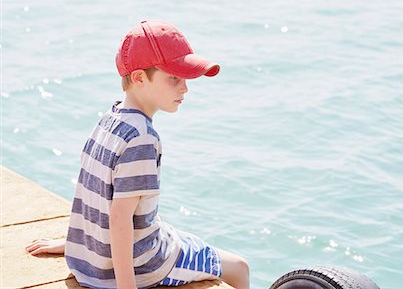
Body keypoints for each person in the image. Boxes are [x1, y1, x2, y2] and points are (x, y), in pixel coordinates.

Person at [25, 20, 249, 289]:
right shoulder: (142, 138)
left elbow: (93, 193)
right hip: (143, 265)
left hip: (89, 260)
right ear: (140, 77)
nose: (185, 88)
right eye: (174, 78)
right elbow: (119, 220)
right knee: (239, 267)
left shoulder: (110, 119)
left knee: (172, 231)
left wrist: (73, 245)